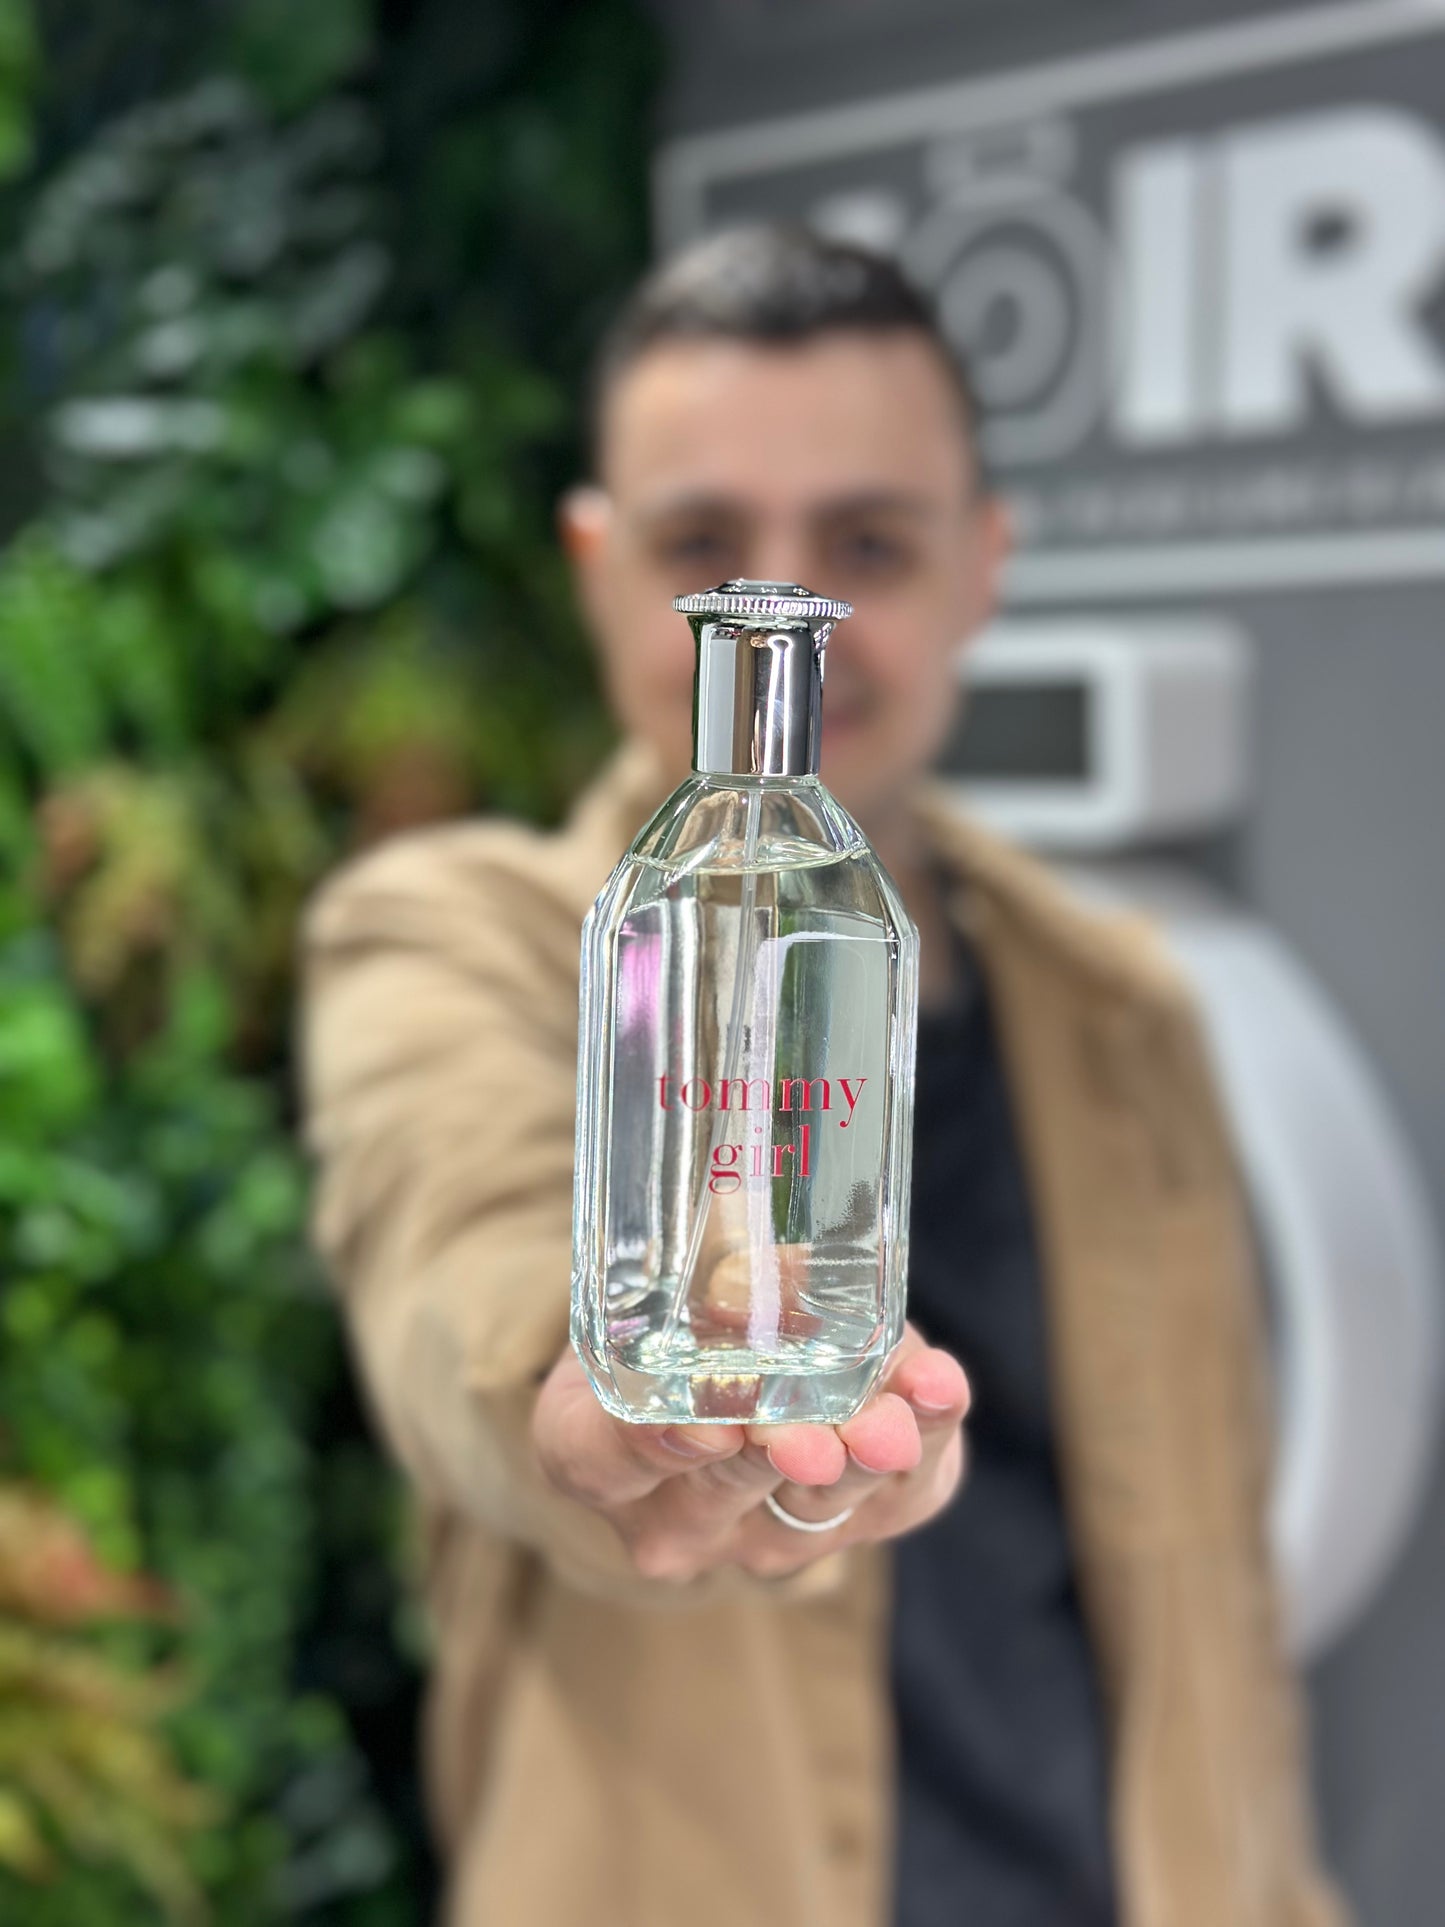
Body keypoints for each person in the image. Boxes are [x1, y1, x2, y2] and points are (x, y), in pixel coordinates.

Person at [299, 225, 1347, 1927]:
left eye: (868, 543)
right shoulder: (459, 936)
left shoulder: (1125, 1007)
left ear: (982, 565)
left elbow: (1214, 1613)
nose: (799, 610)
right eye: (701, 544)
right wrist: (606, 1399)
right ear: (596, 565)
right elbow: (459, 1247)